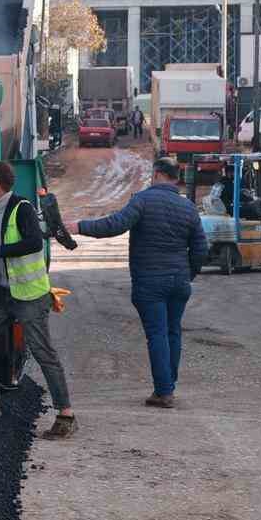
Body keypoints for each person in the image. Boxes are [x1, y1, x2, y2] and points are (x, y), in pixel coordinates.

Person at [71, 156, 206, 408]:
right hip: (179, 282)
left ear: (155, 174)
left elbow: (114, 225)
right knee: (172, 331)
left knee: (157, 334)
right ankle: (168, 385)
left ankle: (164, 392)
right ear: (176, 179)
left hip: (150, 282)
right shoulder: (188, 207)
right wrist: (188, 274)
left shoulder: (142, 200)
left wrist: (79, 226)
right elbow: (201, 247)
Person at [0, 162, 76, 435]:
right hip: (3, 295)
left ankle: (66, 415)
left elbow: (33, 242)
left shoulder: (22, 208)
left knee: (43, 352)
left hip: (29, 295)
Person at [36, 184, 78, 251]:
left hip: (55, 220)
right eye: (38, 190)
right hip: (50, 223)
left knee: (60, 233)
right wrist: (41, 216)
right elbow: (44, 211)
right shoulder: (41, 199)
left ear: (45, 190)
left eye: (41, 190)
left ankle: (70, 244)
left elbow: (50, 206)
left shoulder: (50, 196)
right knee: (55, 235)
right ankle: (69, 244)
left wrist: (43, 215)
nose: (39, 191)